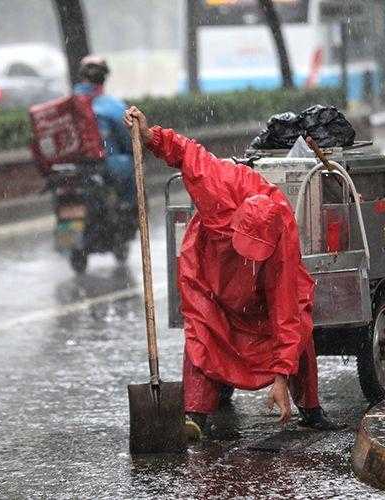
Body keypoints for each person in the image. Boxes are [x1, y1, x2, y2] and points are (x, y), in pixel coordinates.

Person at [123, 106, 340, 440]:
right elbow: (185, 152)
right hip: (208, 272)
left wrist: (281, 377)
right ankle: (195, 414)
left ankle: (310, 407)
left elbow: (286, 309)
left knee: (300, 333)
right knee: (202, 334)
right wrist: (149, 135)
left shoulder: (280, 237)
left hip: (255, 296)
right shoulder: (217, 184)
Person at [74, 55, 135, 206]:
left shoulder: (67, 104)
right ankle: (127, 208)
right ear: (104, 77)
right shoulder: (112, 105)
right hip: (104, 164)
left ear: (81, 76)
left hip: (74, 166)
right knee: (131, 166)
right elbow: (128, 138)